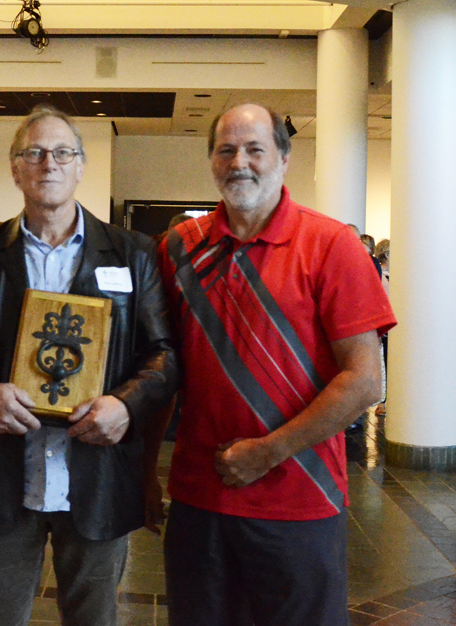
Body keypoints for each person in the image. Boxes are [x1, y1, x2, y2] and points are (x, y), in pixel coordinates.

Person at [0, 105, 178, 626]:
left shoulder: (132, 253)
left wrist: (125, 405)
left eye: (63, 152)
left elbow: (163, 353)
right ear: (15, 168)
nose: (49, 163)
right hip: (5, 473)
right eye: (35, 153)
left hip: (97, 477)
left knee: (94, 619)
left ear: (80, 166)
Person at [159, 103, 396, 626]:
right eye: (226, 150)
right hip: (200, 497)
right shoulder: (178, 248)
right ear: (212, 162)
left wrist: (269, 452)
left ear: (284, 160)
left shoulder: (332, 246)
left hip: (299, 500)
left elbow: (364, 380)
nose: (239, 161)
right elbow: (162, 368)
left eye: (255, 149)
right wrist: (138, 475)